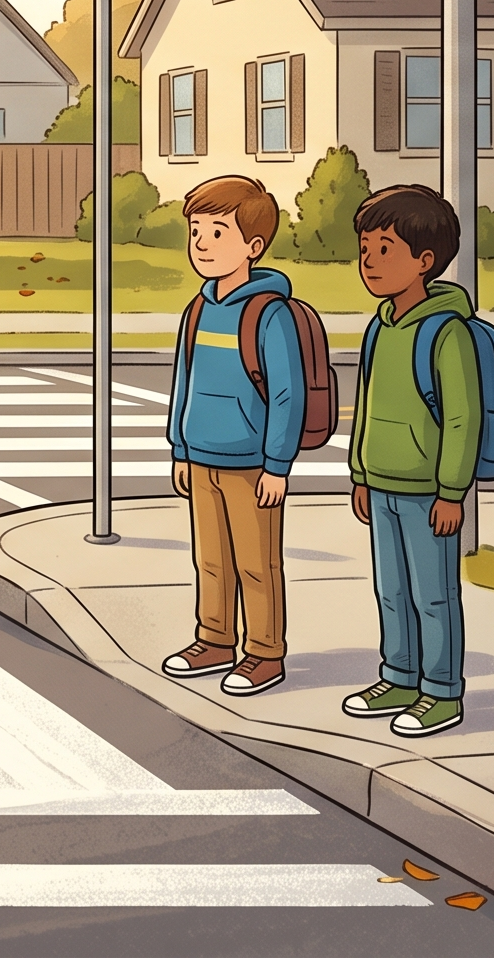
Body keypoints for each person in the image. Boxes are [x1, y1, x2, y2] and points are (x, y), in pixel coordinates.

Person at [160, 176, 305, 698]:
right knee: (211, 560)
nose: (201, 243)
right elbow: (185, 379)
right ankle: (215, 640)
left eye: (217, 232)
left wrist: (277, 465)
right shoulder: (198, 310)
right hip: (201, 458)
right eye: (196, 231)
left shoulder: (269, 313)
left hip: (250, 464)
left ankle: (265, 653)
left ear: (253, 246)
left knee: (257, 563)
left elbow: (288, 394)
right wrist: (180, 447)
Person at [344, 183, 478, 739]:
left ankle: (441, 692)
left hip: (428, 492)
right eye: (365, 249)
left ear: (425, 261)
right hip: (381, 485)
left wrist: (452, 491)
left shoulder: (446, 332)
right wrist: (359, 473)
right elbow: (366, 403)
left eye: (385, 249)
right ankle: (399, 677)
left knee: (434, 594)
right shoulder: (379, 327)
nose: (370, 261)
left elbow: (463, 419)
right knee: (392, 590)